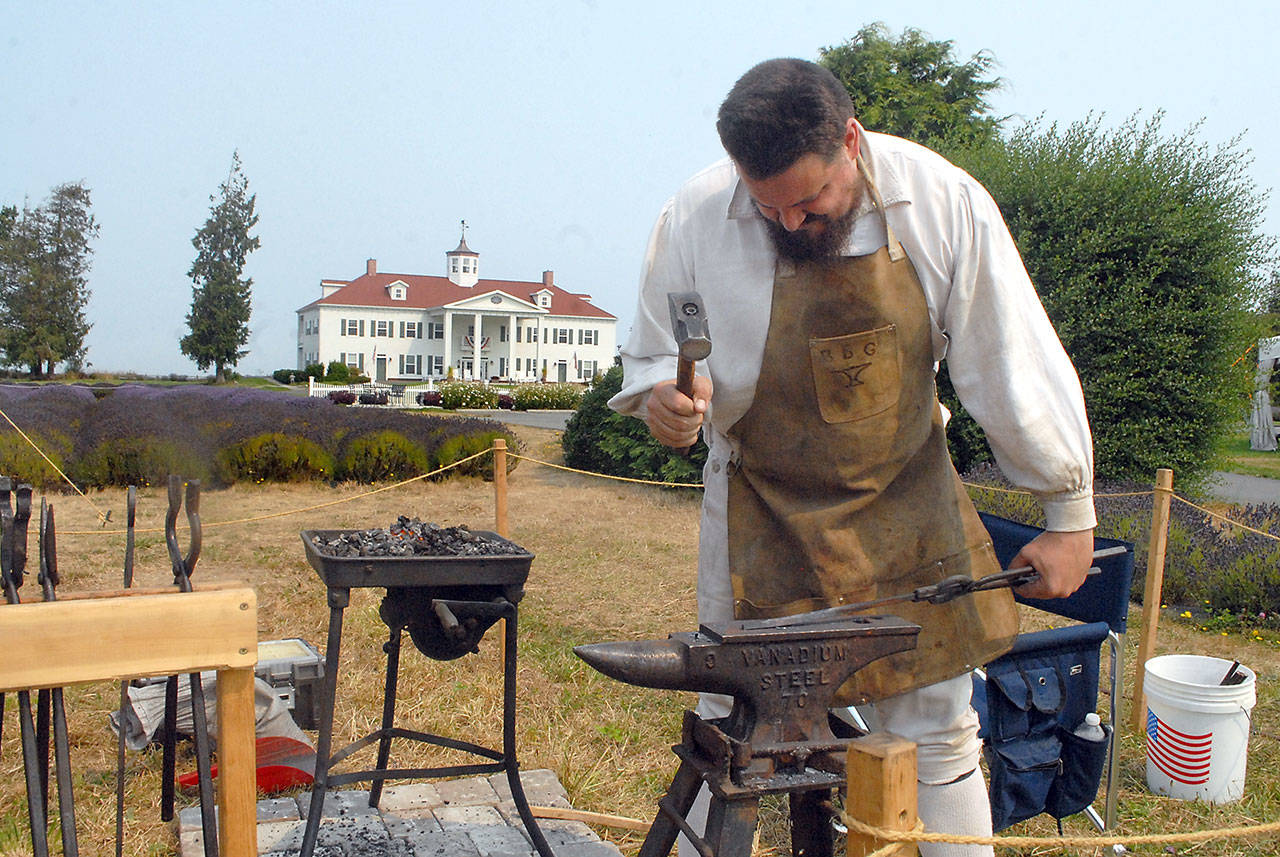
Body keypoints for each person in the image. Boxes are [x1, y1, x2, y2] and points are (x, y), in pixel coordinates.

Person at [608, 58, 1096, 857]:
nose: (791, 222)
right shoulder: (696, 216)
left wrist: (1068, 511)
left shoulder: (940, 203)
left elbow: (1010, 361)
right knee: (732, 729)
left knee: (937, 731)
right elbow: (656, 356)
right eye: (767, 206)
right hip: (756, 514)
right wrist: (664, 401)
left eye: (810, 200)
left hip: (904, 511)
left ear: (852, 142)